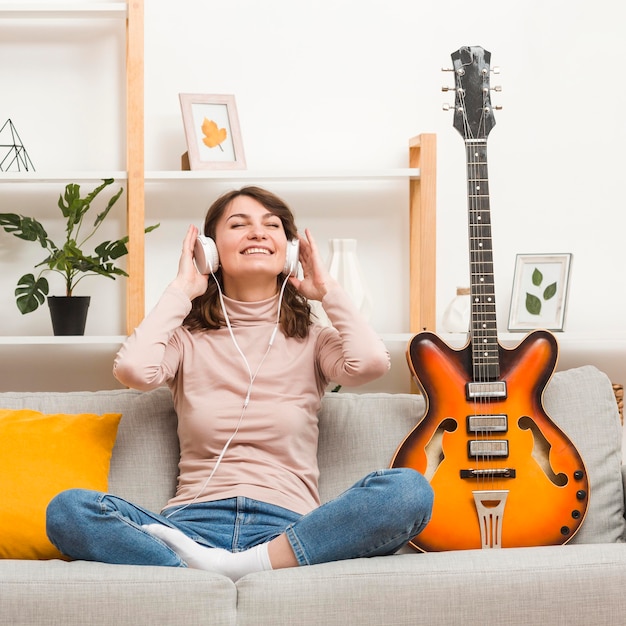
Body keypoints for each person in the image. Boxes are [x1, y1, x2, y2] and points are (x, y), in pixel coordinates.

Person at [46, 186, 433, 581]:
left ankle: (225, 570)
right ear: (210, 251)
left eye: (272, 225)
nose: (258, 232)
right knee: (67, 510)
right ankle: (205, 563)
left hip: (289, 531)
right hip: (189, 529)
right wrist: (181, 290)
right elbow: (134, 371)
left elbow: (369, 363)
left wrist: (327, 290)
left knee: (408, 492)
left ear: (292, 251)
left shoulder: (314, 340)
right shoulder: (184, 338)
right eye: (239, 224)